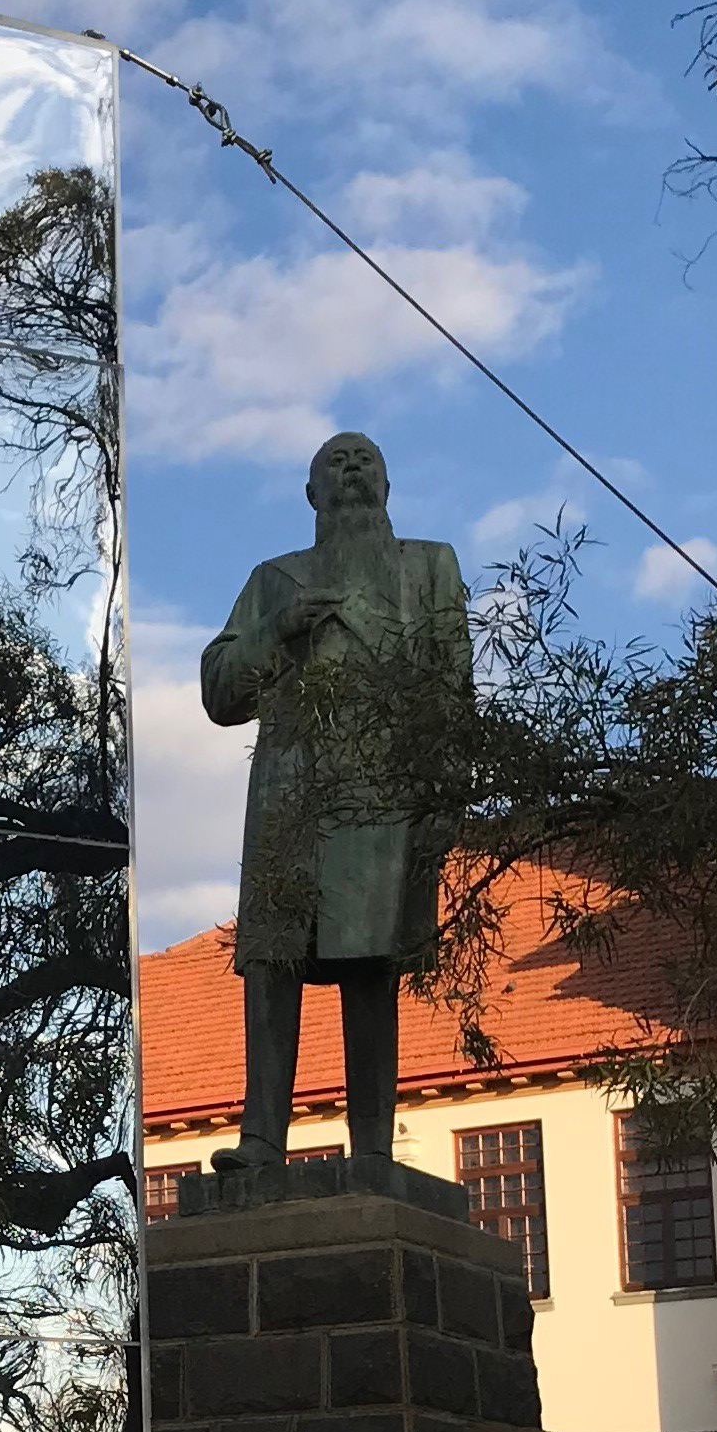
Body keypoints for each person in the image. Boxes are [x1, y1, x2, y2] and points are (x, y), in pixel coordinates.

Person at [198, 429, 471, 1167]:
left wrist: (447, 794)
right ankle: (261, 1141)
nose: (351, 473)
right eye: (334, 464)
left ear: (386, 487)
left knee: (371, 966)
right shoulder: (274, 581)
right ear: (311, 493)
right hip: (292, 793)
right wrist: (277, 633)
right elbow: (220, 690)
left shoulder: (428, 567)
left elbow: (452, 689)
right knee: (272, 959)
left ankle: (374, 1150)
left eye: (365, 462)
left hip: (386, 790)